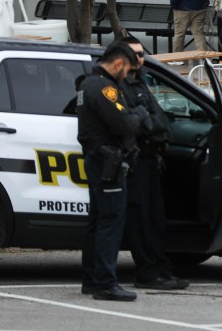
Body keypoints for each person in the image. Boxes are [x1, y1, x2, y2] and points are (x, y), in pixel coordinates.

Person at [77, 41, 149, 302]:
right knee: (110, 222)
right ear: (118, 64)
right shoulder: (104, 88)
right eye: (127, 70)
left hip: (99, 160)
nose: (128, 75)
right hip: (108, 162)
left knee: (97, 221)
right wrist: (139, 113)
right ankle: (106, 282)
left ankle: (92, 280)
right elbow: (123, 123)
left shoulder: (89, 83)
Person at [119, 37, 189, 291]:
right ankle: (147, 272)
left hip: (151, 159)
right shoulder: (121, 85)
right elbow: (140, 122)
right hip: (136, 160)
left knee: (155, 218)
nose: (140, 58)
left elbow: (156, 117)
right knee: (141, 219)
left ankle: (161, 268)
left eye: (141, 54)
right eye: (135, 54)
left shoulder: (140, 80)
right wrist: (156, 127)